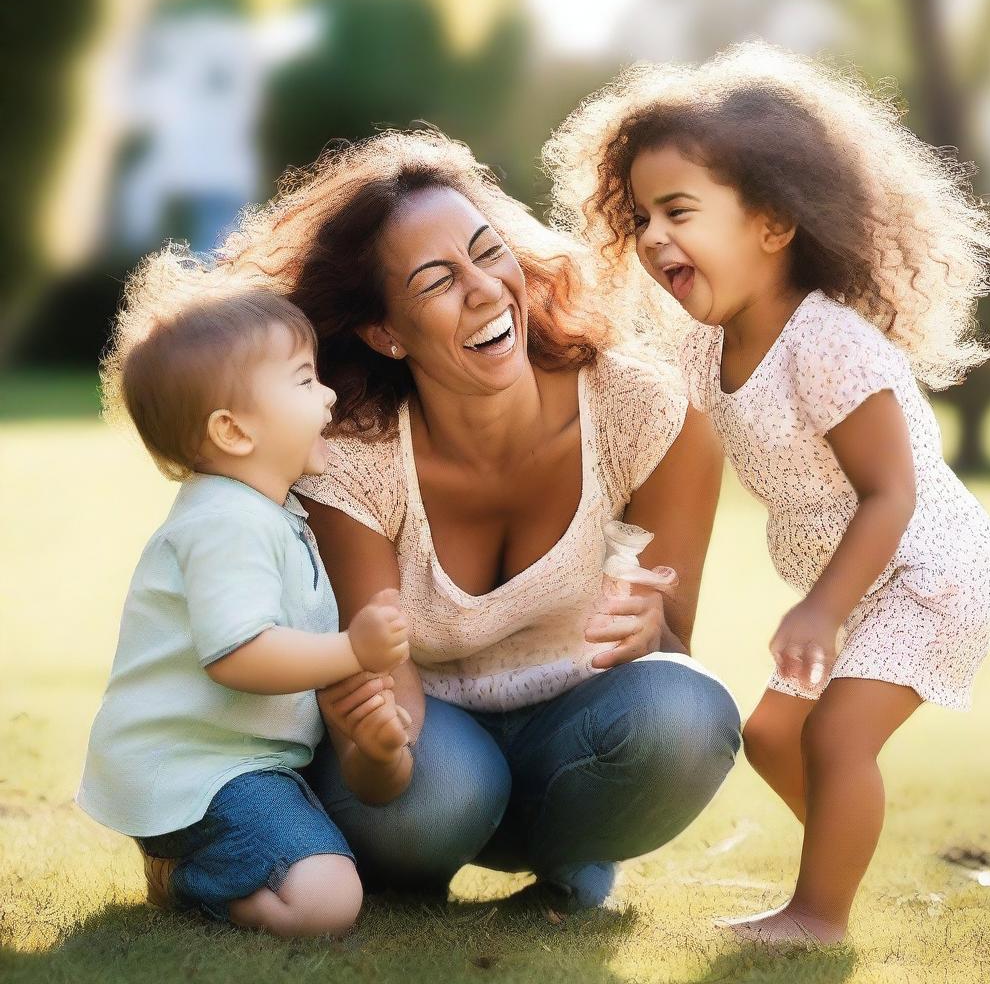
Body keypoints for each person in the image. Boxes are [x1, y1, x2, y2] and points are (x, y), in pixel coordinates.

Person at [543, 41, 990, 942]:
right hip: (857, 581)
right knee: (770, 739)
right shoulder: (703, 346)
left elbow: (891, 495)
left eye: (678, 210)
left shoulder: (827, 344)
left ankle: (818, 915)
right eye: (640, 216)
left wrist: (820, 612)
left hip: (926, 572)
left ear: (772, 223)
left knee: (836, 741)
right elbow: (653, 444)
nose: (651, 238)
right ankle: (840, 859)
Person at [216, 128, 742, 908]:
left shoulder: (646, 412)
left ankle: (568, 858)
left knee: (688, 713)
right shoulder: (353, 462)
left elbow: (670, 643)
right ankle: (442, 865)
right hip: (436, 756)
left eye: (487, 252)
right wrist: (374, 757)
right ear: (385, 333)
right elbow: (381, 704)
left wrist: (648, 631)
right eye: (436, 281)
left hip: (577, 742)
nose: (486, 290)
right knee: (438, 801)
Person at [78, 277, 410, 937]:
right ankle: (187, 876)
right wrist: (351, 651)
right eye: (304, 380)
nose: (329, 394)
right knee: (327, 901)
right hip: (199, 773)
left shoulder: (267, 514)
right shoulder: (227, 523)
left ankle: (223, 858)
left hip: (240, 765)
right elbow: (239, 653)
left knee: (347, 871)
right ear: (232, 430)